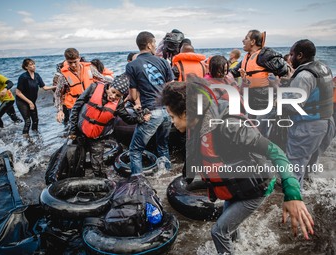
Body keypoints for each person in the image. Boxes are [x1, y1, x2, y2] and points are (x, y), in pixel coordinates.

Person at [161, 75, 314, 255]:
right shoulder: (198, 124)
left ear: (186, 113)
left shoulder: (228, 126)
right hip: (236, 184)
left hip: (257, 187)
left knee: (218, 232)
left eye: (172, 117)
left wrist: (293, 194)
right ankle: (240, 248)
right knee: (230, 232)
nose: (171, 122)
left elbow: (275, 151)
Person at [68, 73, 150, 178]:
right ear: (110, 86)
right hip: (80, 131)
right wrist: (72, 131)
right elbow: (76, 107)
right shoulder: (93, 88)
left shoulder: (118, 103)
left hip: (98, 137)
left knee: (97, 165)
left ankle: (104, 184)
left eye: (118, 96)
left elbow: (128, 119)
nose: (113, 97)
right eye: (113, 92)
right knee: (77, 159)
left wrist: (141, 118)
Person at [284, 39, 335, 188]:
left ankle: (294, 202)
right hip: (327, 122)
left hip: (308, 126)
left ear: (299, 55)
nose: (290, 58)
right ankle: (310, 194)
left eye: (292, 54)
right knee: (310, 163)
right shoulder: (324, 68)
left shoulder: (304, 76)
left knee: (294, 166)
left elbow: (294, 106)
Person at [126, 31, 174, 176]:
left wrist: (129, 99)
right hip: (166, 111)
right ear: (148, 44)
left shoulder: (132, 65)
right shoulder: (163, 62)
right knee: (163, 145)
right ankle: (167, 177)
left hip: (151, 112)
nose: (155, 46)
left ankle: (138, 183)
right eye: (154, 43)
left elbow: (134, 95)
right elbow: (171, 87)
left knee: (135, 151)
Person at [54, 48, 112, 125]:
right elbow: (58, 94)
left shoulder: (89, 68)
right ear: (66, 61)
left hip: (89, 103)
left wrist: (115, 85)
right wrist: (59, 111)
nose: (73, 65)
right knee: (74, 127)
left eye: (75, 62)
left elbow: (103, 79)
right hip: (74, 107)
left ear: (79, 58)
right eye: (70, 63)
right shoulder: (63, 76)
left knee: (91, 124)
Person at [16, 58, 55, 138]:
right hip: (22, 101)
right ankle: (25, 140)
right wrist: (30, 102)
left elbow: (44, 87)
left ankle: (36, 136)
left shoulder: (37, 75)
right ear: (26, 67)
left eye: (34, 64)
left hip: (32, 102)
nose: (33, 66)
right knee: (28, 121)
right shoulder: (23, 77)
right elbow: (18, 93)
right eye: (31, 65)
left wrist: (56, 86)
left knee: (36, 120)